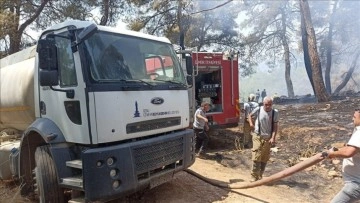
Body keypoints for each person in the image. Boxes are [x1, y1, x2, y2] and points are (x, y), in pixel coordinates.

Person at [324, 109, 360, 202]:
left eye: (354, 117)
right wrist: (339, 149)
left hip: (356, 183)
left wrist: (332, 154)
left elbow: (349, 152)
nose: (352, 119)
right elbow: (353, 148)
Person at [248, 96, 279, 182]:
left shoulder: (275, 113)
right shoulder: (258, 109)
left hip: (267, 138)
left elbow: (275, 127)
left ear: (272, 104)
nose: (267, 106)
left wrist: (273, 138)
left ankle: (260, 174)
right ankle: (254, 175)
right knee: (256, 154)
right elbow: (249, 115)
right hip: (257, 136)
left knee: (264, 157)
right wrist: (251, 124)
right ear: (263, 104)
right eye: (266, 104)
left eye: (269, 105)